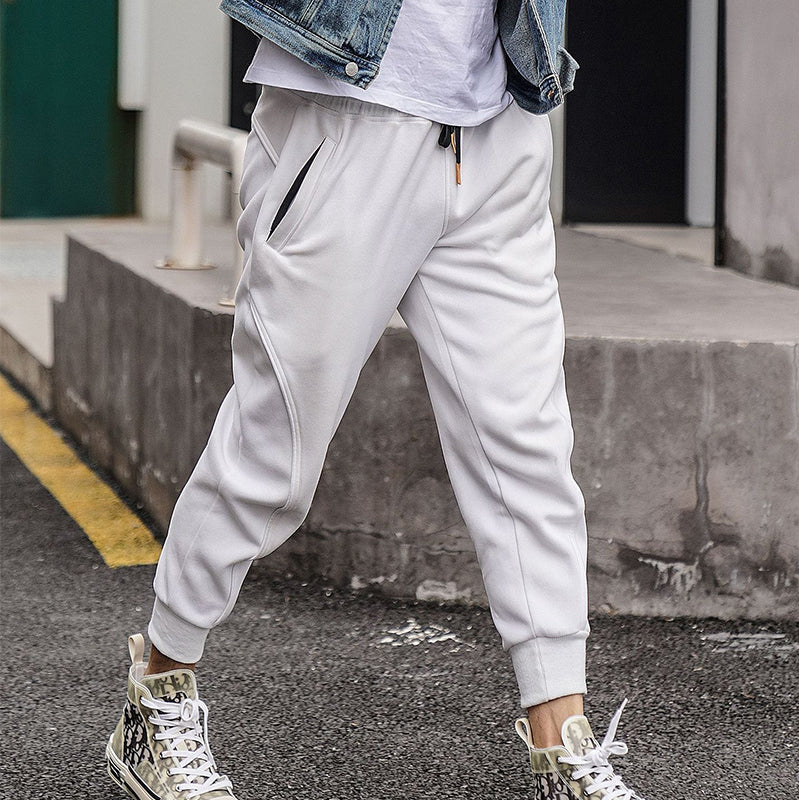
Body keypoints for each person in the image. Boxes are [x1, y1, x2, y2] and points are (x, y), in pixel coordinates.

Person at [105, 1, 648, 798]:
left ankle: (560, 740)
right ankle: (156, 696)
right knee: (275, 448)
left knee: (525, 447)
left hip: (499, 122)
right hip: (348, 116)